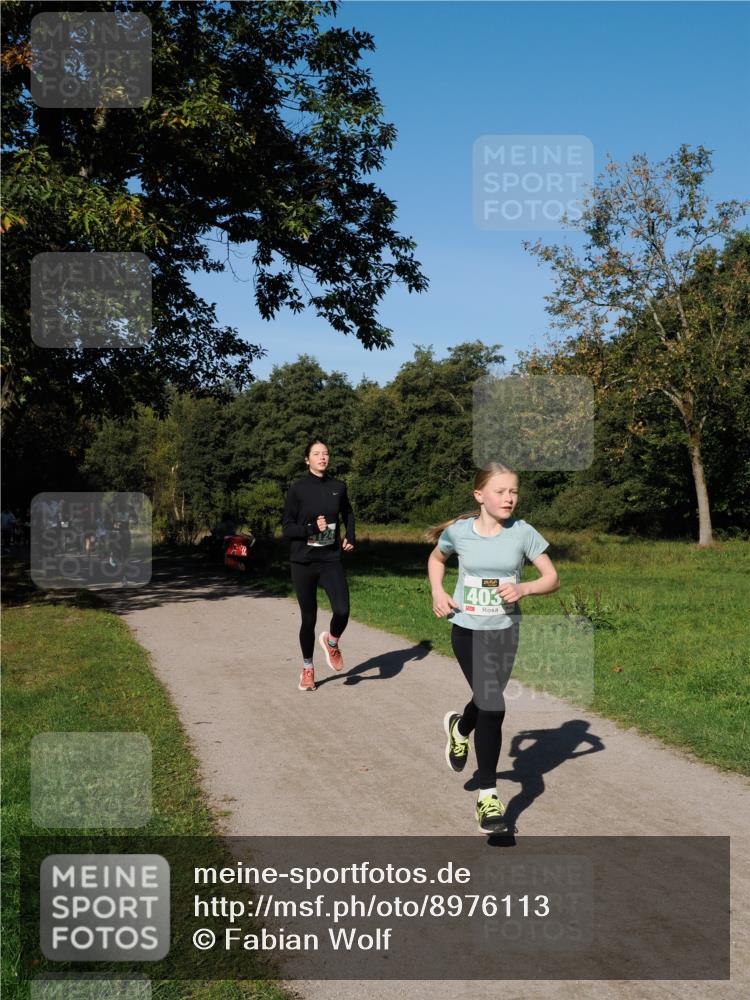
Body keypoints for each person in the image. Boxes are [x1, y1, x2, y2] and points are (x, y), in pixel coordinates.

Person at [426, 462, 560, 835]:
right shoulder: (459, 533)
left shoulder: (523, 533)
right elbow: (436, 559)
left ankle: (460, 727)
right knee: (493, 706)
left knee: (487, 702)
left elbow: (552, 578)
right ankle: (488, 798)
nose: (509, 498)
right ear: (479, 495)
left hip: (505, 632)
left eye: (513, 491)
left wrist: (524, 588)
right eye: (500, 491)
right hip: (467, 631)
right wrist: (437, 591)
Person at [282, 440, 356, 691]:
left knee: (342, 610)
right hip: (303, 560)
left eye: (325, 453)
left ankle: (332, 641)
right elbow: (287, 528)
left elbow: (348, 513)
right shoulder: (298, 489)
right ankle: (307, 669)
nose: (322, 457)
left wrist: (351, 535)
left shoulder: (338, 486)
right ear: (307, 460)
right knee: (309, 618)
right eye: (316, 454)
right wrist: (311, 528)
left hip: (330, 558)